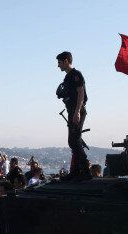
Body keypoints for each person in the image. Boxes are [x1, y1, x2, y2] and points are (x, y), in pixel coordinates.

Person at [56, 51, 92, 181]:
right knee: (73, 141)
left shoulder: (76, 75)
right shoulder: (67, 77)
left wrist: (77, 112)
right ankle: (76, 171)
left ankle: (86, 171)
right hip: (71, 110)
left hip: (78, 111)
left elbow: (81, 93)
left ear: (66, 61)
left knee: (74, 141)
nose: (58, 65)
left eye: (59, 62)